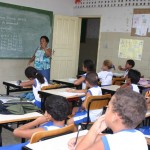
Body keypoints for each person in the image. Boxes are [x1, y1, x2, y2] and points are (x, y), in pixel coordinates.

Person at [68, 88, 148, 150]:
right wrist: (80, 138)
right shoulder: (139, 136)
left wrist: (94, 129)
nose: (106, 110)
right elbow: (107, 136)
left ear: (115, 116)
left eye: (108, 107)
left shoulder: (111, 141)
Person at [0, 95, 69, 150]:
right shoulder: (69, 127)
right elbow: (43, 126)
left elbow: (16, 132)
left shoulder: (43, 131)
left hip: (26, 147)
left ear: (49, 115)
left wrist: (36, 121)